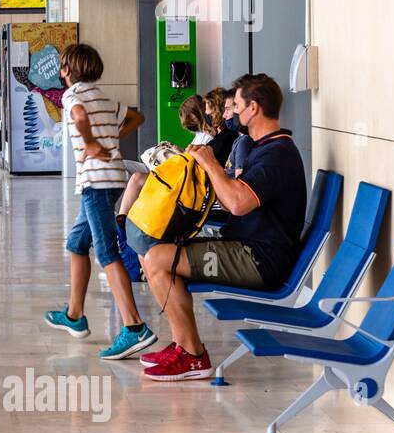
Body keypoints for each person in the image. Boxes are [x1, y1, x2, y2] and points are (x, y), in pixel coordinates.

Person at [131, 73, 307, 381]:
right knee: (152, 252)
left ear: (254, 108)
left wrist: (211, 165)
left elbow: (237, 203)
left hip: (259, 259)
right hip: (243, 246)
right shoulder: (259, 147)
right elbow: (230, 202)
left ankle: (193, 356)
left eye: (237, 105)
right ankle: (185, 347)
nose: (232, 112)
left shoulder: (277, 154)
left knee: (158, 259)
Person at [43, 43, 155, 360]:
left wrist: (92, 142)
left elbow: (78, 115)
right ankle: (75, 314)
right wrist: (111, 138)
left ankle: (135, 327)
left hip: (97, 182)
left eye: (63, 66)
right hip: (111, 179)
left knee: (106, 251)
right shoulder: (101, 96)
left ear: (67, 69)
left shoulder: (73, 96)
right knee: (78, 243)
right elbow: (137, 117)